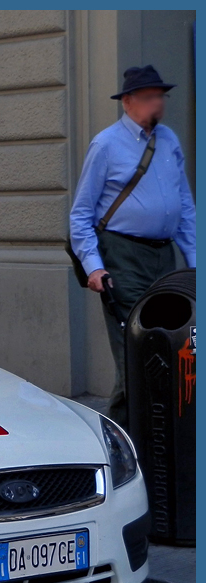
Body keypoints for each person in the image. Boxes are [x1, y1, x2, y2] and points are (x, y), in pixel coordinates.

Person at [70, 65, 196, 429]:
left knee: (169, 346)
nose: (158, 103)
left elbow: (184, 206)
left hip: (164, 256)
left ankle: (162, 433)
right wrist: (94, 266)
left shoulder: (169, 140)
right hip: (123, 256)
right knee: (136, 351)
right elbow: (81, 215)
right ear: (128, 102)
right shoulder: (106, 144)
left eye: (161, 96)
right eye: (150, 97)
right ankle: (129, 434)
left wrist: (194, 262)